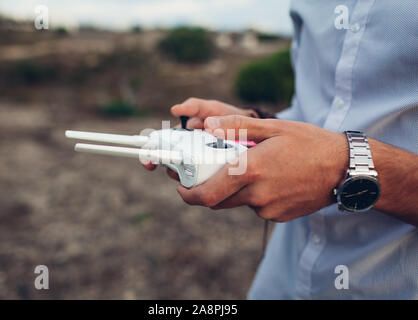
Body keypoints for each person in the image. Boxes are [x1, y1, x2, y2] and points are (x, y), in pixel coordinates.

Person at [144, 1, 418, 299]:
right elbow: (315, 113)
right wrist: (254, 128)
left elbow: (328, 150)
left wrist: (341, 168)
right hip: (283, 276)